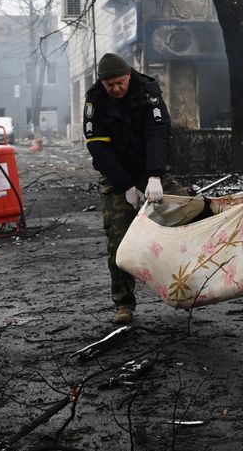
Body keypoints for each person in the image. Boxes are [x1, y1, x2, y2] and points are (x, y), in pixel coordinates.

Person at [83, 52, 175, 325]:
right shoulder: (95, 99)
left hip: (150, 168)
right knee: (118, 239)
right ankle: (124, 304)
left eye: (119, 83)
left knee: (187, 214)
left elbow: (158, 134)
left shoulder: (148, 91)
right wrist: (125, 186)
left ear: (128, 76)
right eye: (109, 85)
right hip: (116, 176)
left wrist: (155, 176)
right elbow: (98, 146)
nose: (115, 89)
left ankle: (194, 284)